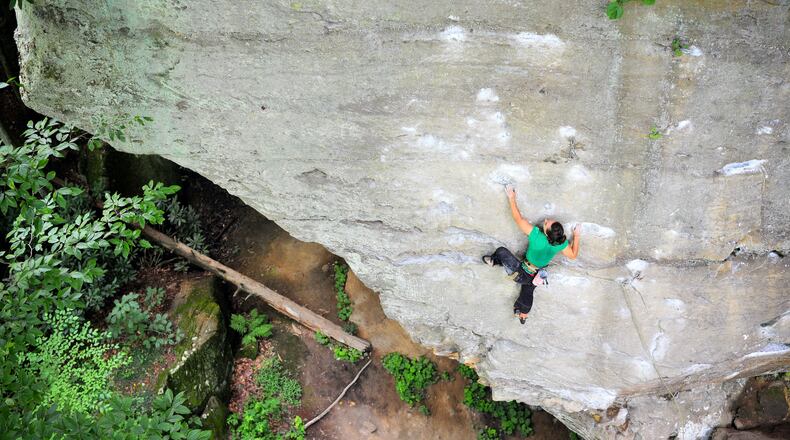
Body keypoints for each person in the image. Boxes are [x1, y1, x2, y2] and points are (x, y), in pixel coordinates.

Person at [482, 186, 581, 324]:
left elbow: (518, 219)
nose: (545, 220)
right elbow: (573, 255)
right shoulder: (560, 243)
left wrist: (511, 197)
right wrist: (576, 235)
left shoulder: (536, 235)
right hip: (537, 276)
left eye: (546, 223)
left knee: (501, 251)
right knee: (527, 293)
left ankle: (495, 261)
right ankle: (522, 315)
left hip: (521, 272)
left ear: (546, 232)